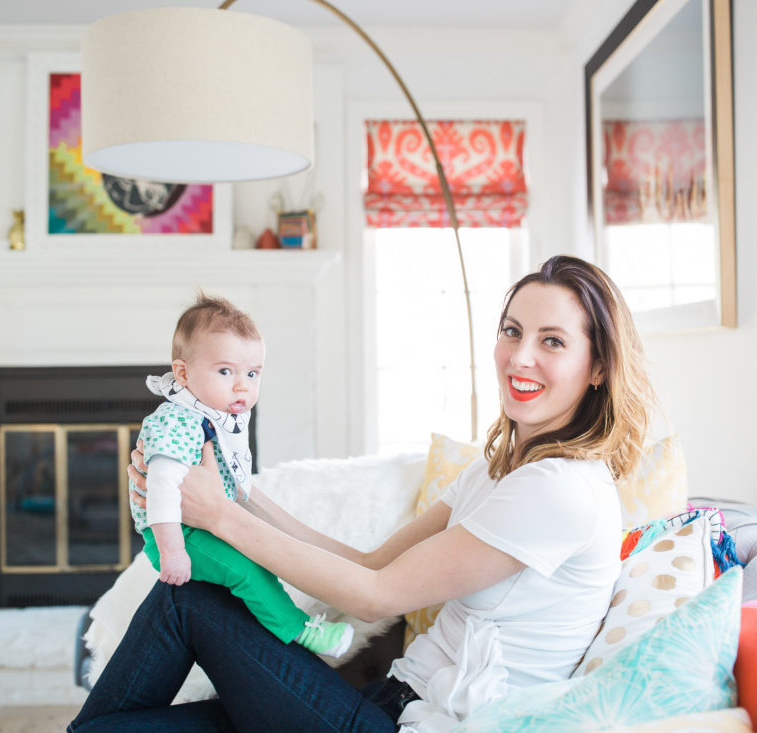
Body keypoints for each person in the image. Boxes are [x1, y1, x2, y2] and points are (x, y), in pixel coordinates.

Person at [68, 255, 658, 733]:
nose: (520, 356)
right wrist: (235, 492)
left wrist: (216, 515)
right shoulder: (501, 467)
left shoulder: (561, 490)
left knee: (185, 599)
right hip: (385, 703)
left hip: (412, 727)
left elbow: (377, 596)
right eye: (512, 331)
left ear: (598, 365)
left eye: (552, 341)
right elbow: (374, 561)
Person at [129, 293, 354, 658]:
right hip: (178, 536)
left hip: (200, 525)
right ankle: (297, 629)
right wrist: (172, 552)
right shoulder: (177, 419)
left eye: (252, 374)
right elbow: (161, 487)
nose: (242, 385)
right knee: (248, 569)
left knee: (262, 556)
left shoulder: (215, 413)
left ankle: (266, 624)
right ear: (183, 374)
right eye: (225, 371)